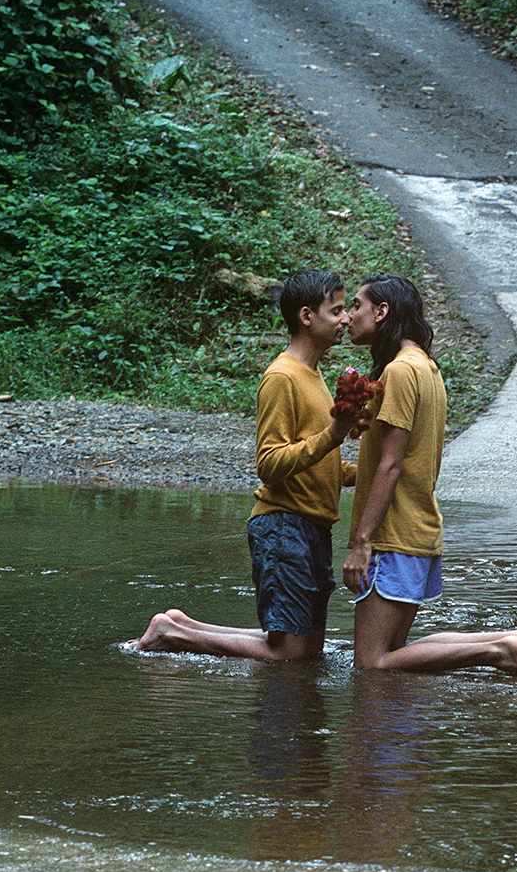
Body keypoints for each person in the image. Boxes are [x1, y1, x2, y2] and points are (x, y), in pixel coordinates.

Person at [133, 268, 357, 662]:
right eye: (336, 311)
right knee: (287, 652)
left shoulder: (314, 375)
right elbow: (269, 463)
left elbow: (317, 462)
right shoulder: (282, 376)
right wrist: (333, 436)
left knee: (308, 650)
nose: (346, 319)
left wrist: (374, 467)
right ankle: (172, 634)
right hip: (284, 525)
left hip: (312, 526)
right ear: (307, 317)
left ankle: (183, 626)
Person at [343, 274, 517, 674]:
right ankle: (511, 639)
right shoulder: (426, 367)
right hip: (419, 530)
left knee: (371, 663)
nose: (348, 316)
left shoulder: (400, 371)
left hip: (394, 535)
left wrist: (362, 542)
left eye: (357, 306)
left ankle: (496, 651)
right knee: (394, 651)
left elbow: (391, 463)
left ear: (382, 312)